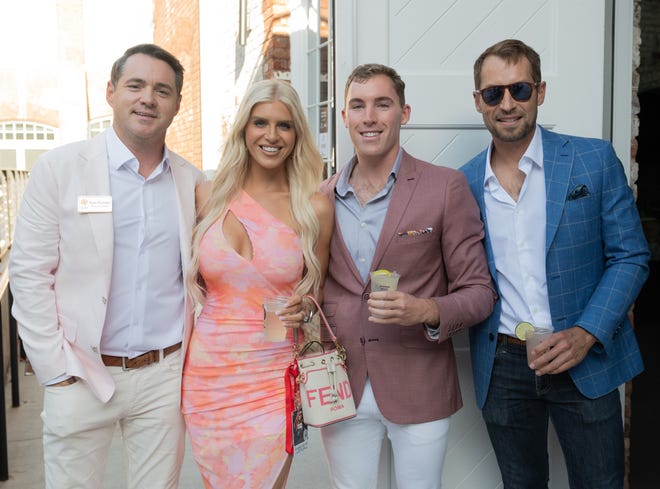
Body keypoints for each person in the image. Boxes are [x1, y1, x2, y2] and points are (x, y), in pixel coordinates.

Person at [8, 44, 204, 488]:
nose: (147, 99)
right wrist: (54, 369)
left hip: (163, 377)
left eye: (162, 90)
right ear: (111, 92)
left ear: (176, 103)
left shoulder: (193, 182)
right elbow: (30, 271)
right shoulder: (59, 170)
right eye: (135, 85)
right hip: (79, 372)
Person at [460, 39, 651, 489]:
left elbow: (631, 255)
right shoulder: (463, 182)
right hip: (504, 363)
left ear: (540, 92)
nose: (507, 104)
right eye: (493, 93)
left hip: (585, 354)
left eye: (519, 89)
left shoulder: (593, 159)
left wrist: (586, 334)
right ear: (478, 102)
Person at [318, 63, 496, 489]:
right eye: (357, 106)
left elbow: (480, 291)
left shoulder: (445, 187)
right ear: (344, 117)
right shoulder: (320, 196)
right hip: (340, 385)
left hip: (418, 380)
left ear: (404, 112)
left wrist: (427, 309)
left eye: (383, 104)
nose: (370, 116)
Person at [181, 79, 334, 489]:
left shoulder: (314, 206)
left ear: (297, 134)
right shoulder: (206, 196)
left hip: (273, 376)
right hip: (209, 376)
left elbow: (315, 292)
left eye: (284, 126)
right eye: (260, 122)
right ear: (244, 129)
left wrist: (305, 306)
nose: (271, 135)